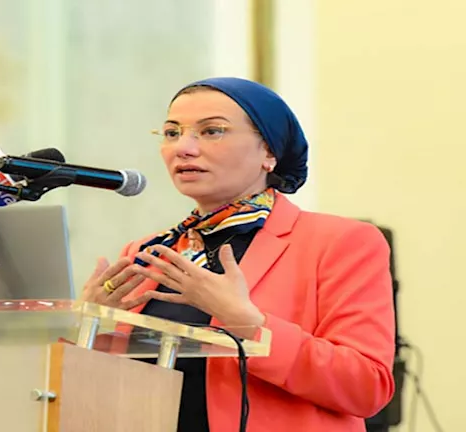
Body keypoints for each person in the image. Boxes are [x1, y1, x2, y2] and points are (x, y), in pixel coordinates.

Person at [81, 77, 396, 432]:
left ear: (269, 152)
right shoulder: (148, 252)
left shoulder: (340, 242)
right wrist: (86, 326)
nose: (183, 148)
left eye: (212, 131)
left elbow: (366, 386)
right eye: (172, 133)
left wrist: (247, 323)